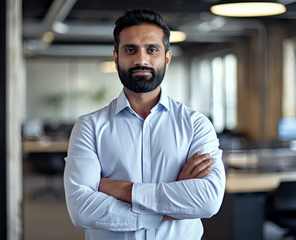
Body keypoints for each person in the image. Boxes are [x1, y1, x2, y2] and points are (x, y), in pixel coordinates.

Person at [64, 8, 226, 240]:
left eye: (152, 50)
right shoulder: (89, 126)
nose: (141, 60)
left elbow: (208, 200)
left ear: (166, 58)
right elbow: (82, 209)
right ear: (116, 57)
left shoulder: (196, 124)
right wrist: (172, 205)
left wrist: (122, 189)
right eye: (130, 50)